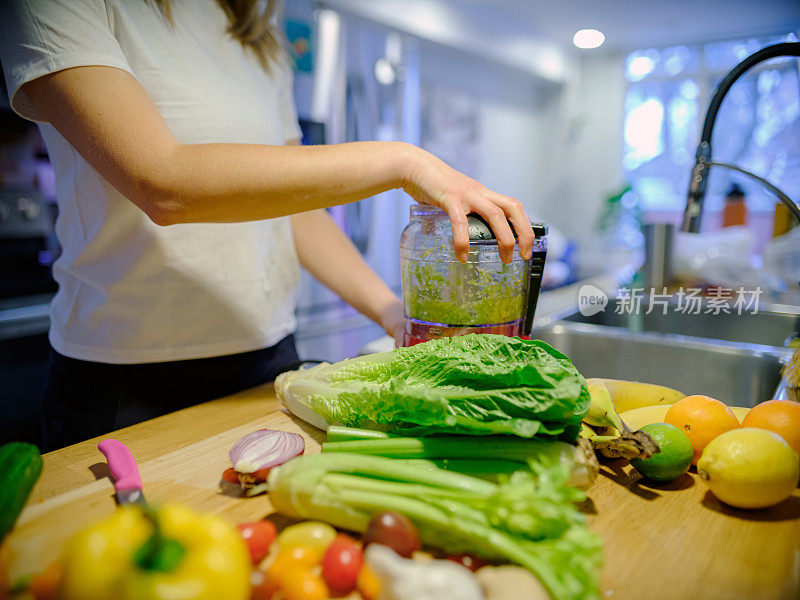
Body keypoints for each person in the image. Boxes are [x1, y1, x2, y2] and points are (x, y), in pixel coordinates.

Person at [0, 0, 534, 450]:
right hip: (122, 381)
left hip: (268, 361)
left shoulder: (259, 37)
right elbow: (162, 181)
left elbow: (297, 213)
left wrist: (393, 313)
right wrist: (402, 161)